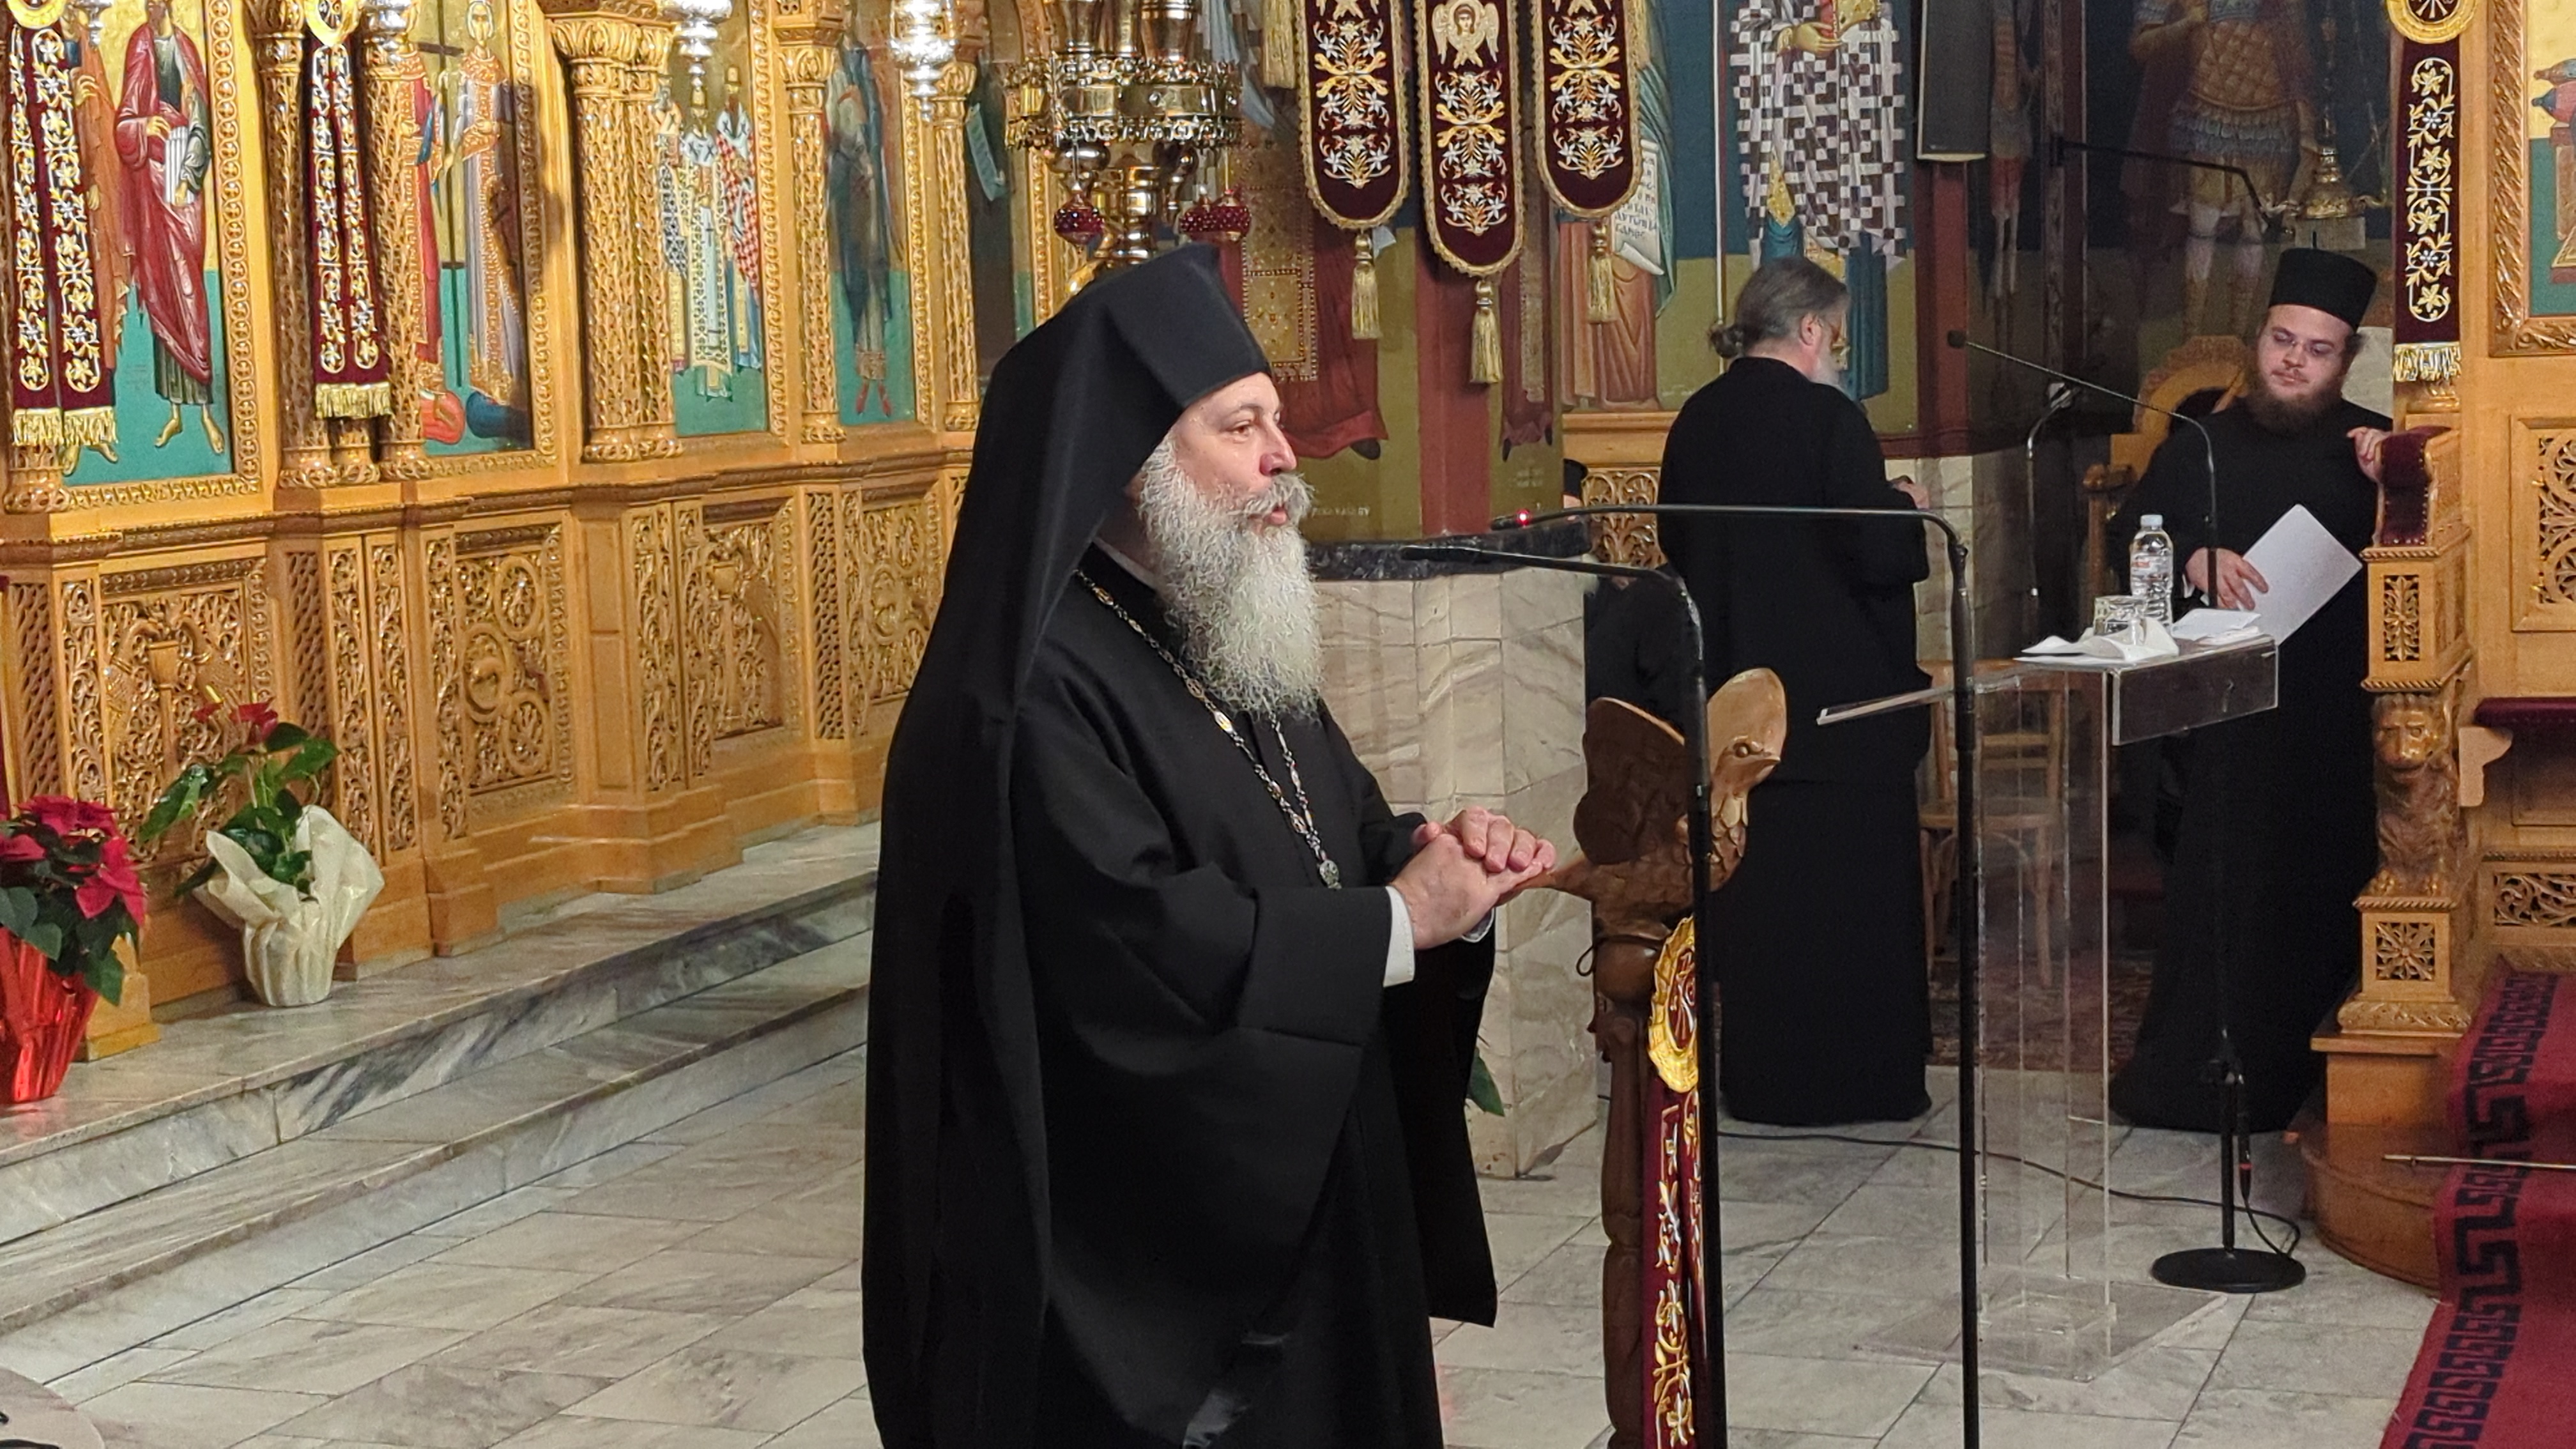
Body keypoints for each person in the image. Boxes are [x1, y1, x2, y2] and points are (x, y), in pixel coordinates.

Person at [862, 247, 1558, 1449]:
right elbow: (1140, 952)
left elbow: (1337, 825)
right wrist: (1400, 921)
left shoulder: (1220, 621)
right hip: (1154, 1270)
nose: (1286, 457)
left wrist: (1441, 858)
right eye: (1242, 428)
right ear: (1133, 460)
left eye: (1276, 423)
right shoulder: (1030, 697)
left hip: (1306, 1187)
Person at [2108, 247, 2386, 1133]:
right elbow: (2131, 537)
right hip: (2225, 724)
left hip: (2331, 718)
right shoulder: (2201, 444)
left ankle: (2322, 1080)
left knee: (2319, 891)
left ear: (2345, 361)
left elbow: (2431, 556)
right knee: (2223, 899)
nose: (2294, 361)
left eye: (2318, 349)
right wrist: (2193, 556)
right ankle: (2203, 1077)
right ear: (2257, 340)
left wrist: (2398, 488)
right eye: (2282, 340)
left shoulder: (2373, 447)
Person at [1657, 256, 1934, 1126]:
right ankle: (1860, 1084)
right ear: (1810, 329)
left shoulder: (1696, 420)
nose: (1836, 353)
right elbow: (1874, 553)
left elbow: (1678, 544)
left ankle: (1765, 1084)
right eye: (1836, 335)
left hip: (1740, 709)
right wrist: (1904, 504)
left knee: (1765, 908)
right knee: (1849, 912)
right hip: (1839, 716)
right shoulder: (1829, 418)